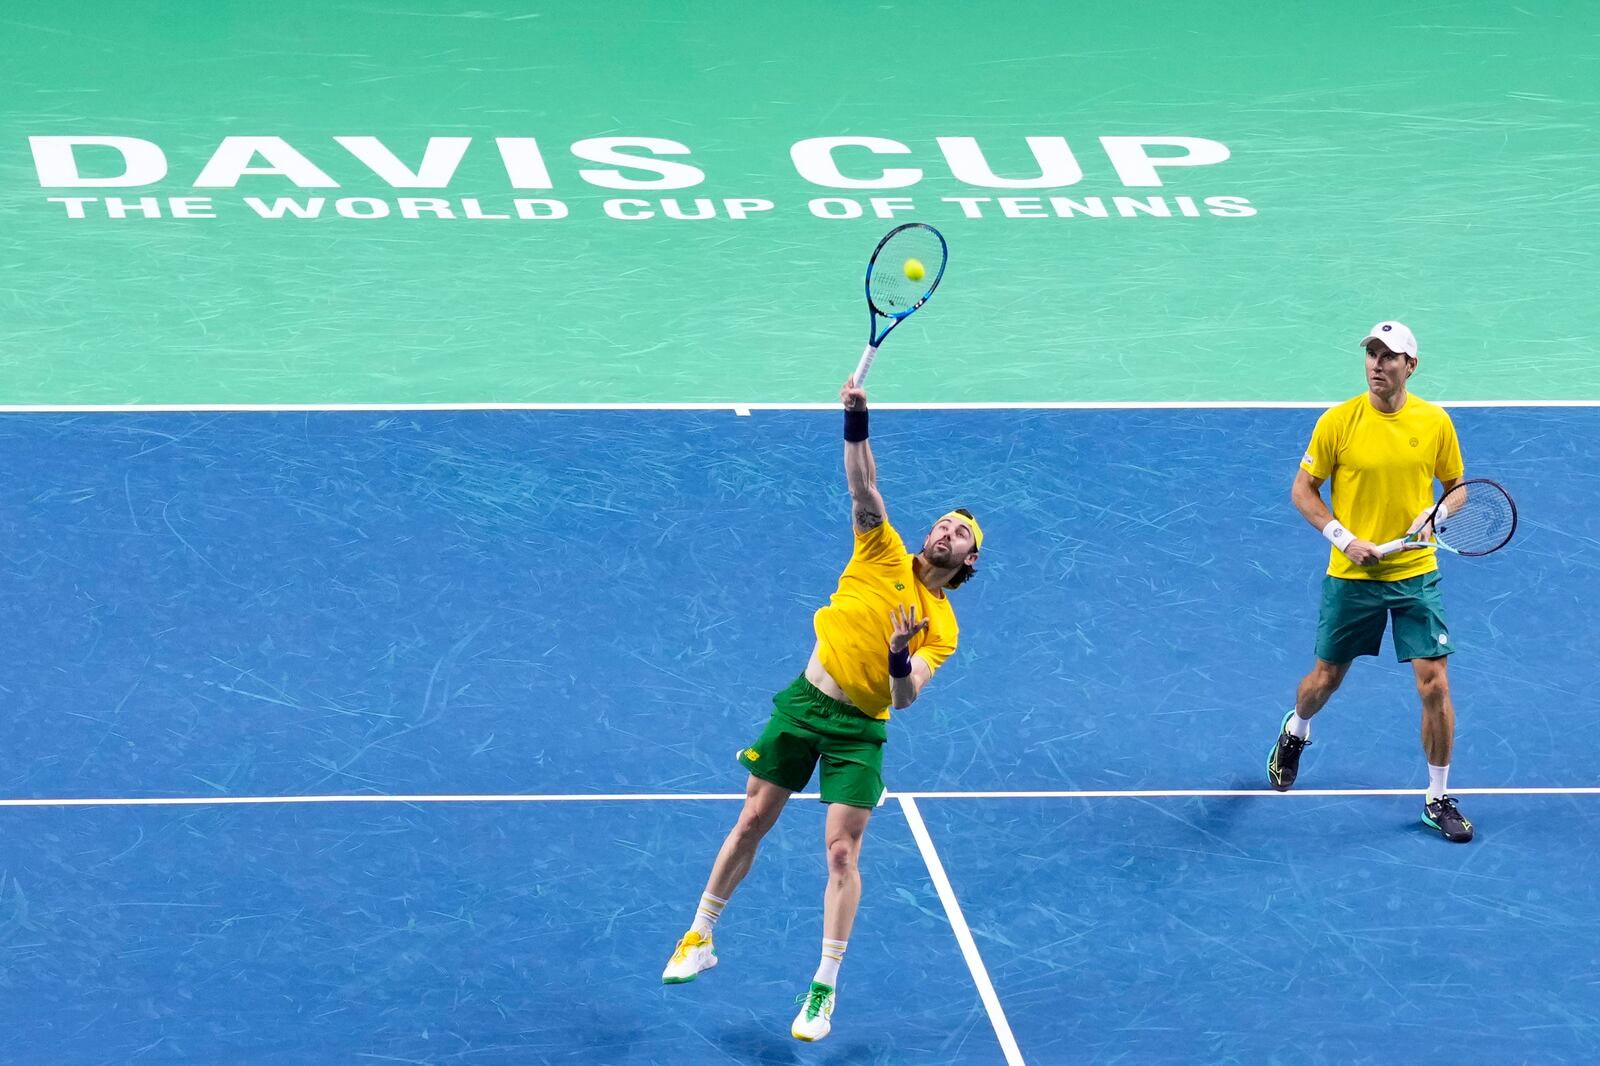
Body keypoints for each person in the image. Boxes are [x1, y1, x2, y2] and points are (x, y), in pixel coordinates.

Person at [661, 376, 983, 1041]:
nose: (945, 531)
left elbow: (906, 697)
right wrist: (857, 418)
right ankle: (699, 935)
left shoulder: (943, 628)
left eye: (959, 533)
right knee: (752, 818)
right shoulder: (882, 547)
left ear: (969, 559)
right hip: (807, 703)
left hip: (859, 731)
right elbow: (864, 487)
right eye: (943, 523)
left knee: (841, 854)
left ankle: (822, 991)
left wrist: (899, 655)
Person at [1269, 320, 1473, 842]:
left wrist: (1435, 516)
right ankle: (1296, 731)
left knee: (1435, 683)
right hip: (1353, 575)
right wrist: (1341, 536)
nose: (1377, 364)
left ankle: (1437, 796)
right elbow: (1303, 490)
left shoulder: (1434, 423)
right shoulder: (1338, 422)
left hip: (1414, 574)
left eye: (1389, 356)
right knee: (1323, 683)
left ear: (1411, 365)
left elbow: (1458, 489)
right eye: (1372, 354)